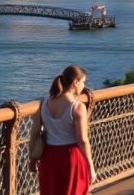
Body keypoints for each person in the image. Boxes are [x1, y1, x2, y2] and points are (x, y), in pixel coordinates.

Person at [29, 65, 96, 195]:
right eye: (83, 82)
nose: (84, 86)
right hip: (71, 158)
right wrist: (90, 166)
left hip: (48, 157)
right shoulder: (77, 107)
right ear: (75, 82)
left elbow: (34, 134)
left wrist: (32, 158)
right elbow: (82, 140)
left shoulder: (43, 103)